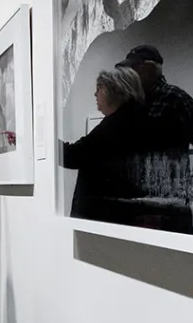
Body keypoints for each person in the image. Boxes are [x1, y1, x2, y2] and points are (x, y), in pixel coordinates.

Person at [118, 44, 193, 233]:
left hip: (166, 208)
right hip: (136, 205)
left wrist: (192, 187)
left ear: (148, 69)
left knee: (172, 258)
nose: (128, 75)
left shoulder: (175, 98)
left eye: (133, 69)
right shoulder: (133, 103)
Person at [61, 67, 158, 224]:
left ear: (115, 90)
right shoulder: (135, 118)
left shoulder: (119, 124)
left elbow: (73, 156)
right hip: (121, 215)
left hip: (106, 217)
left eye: (99, 88)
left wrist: (43, 141)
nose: (95, 94)